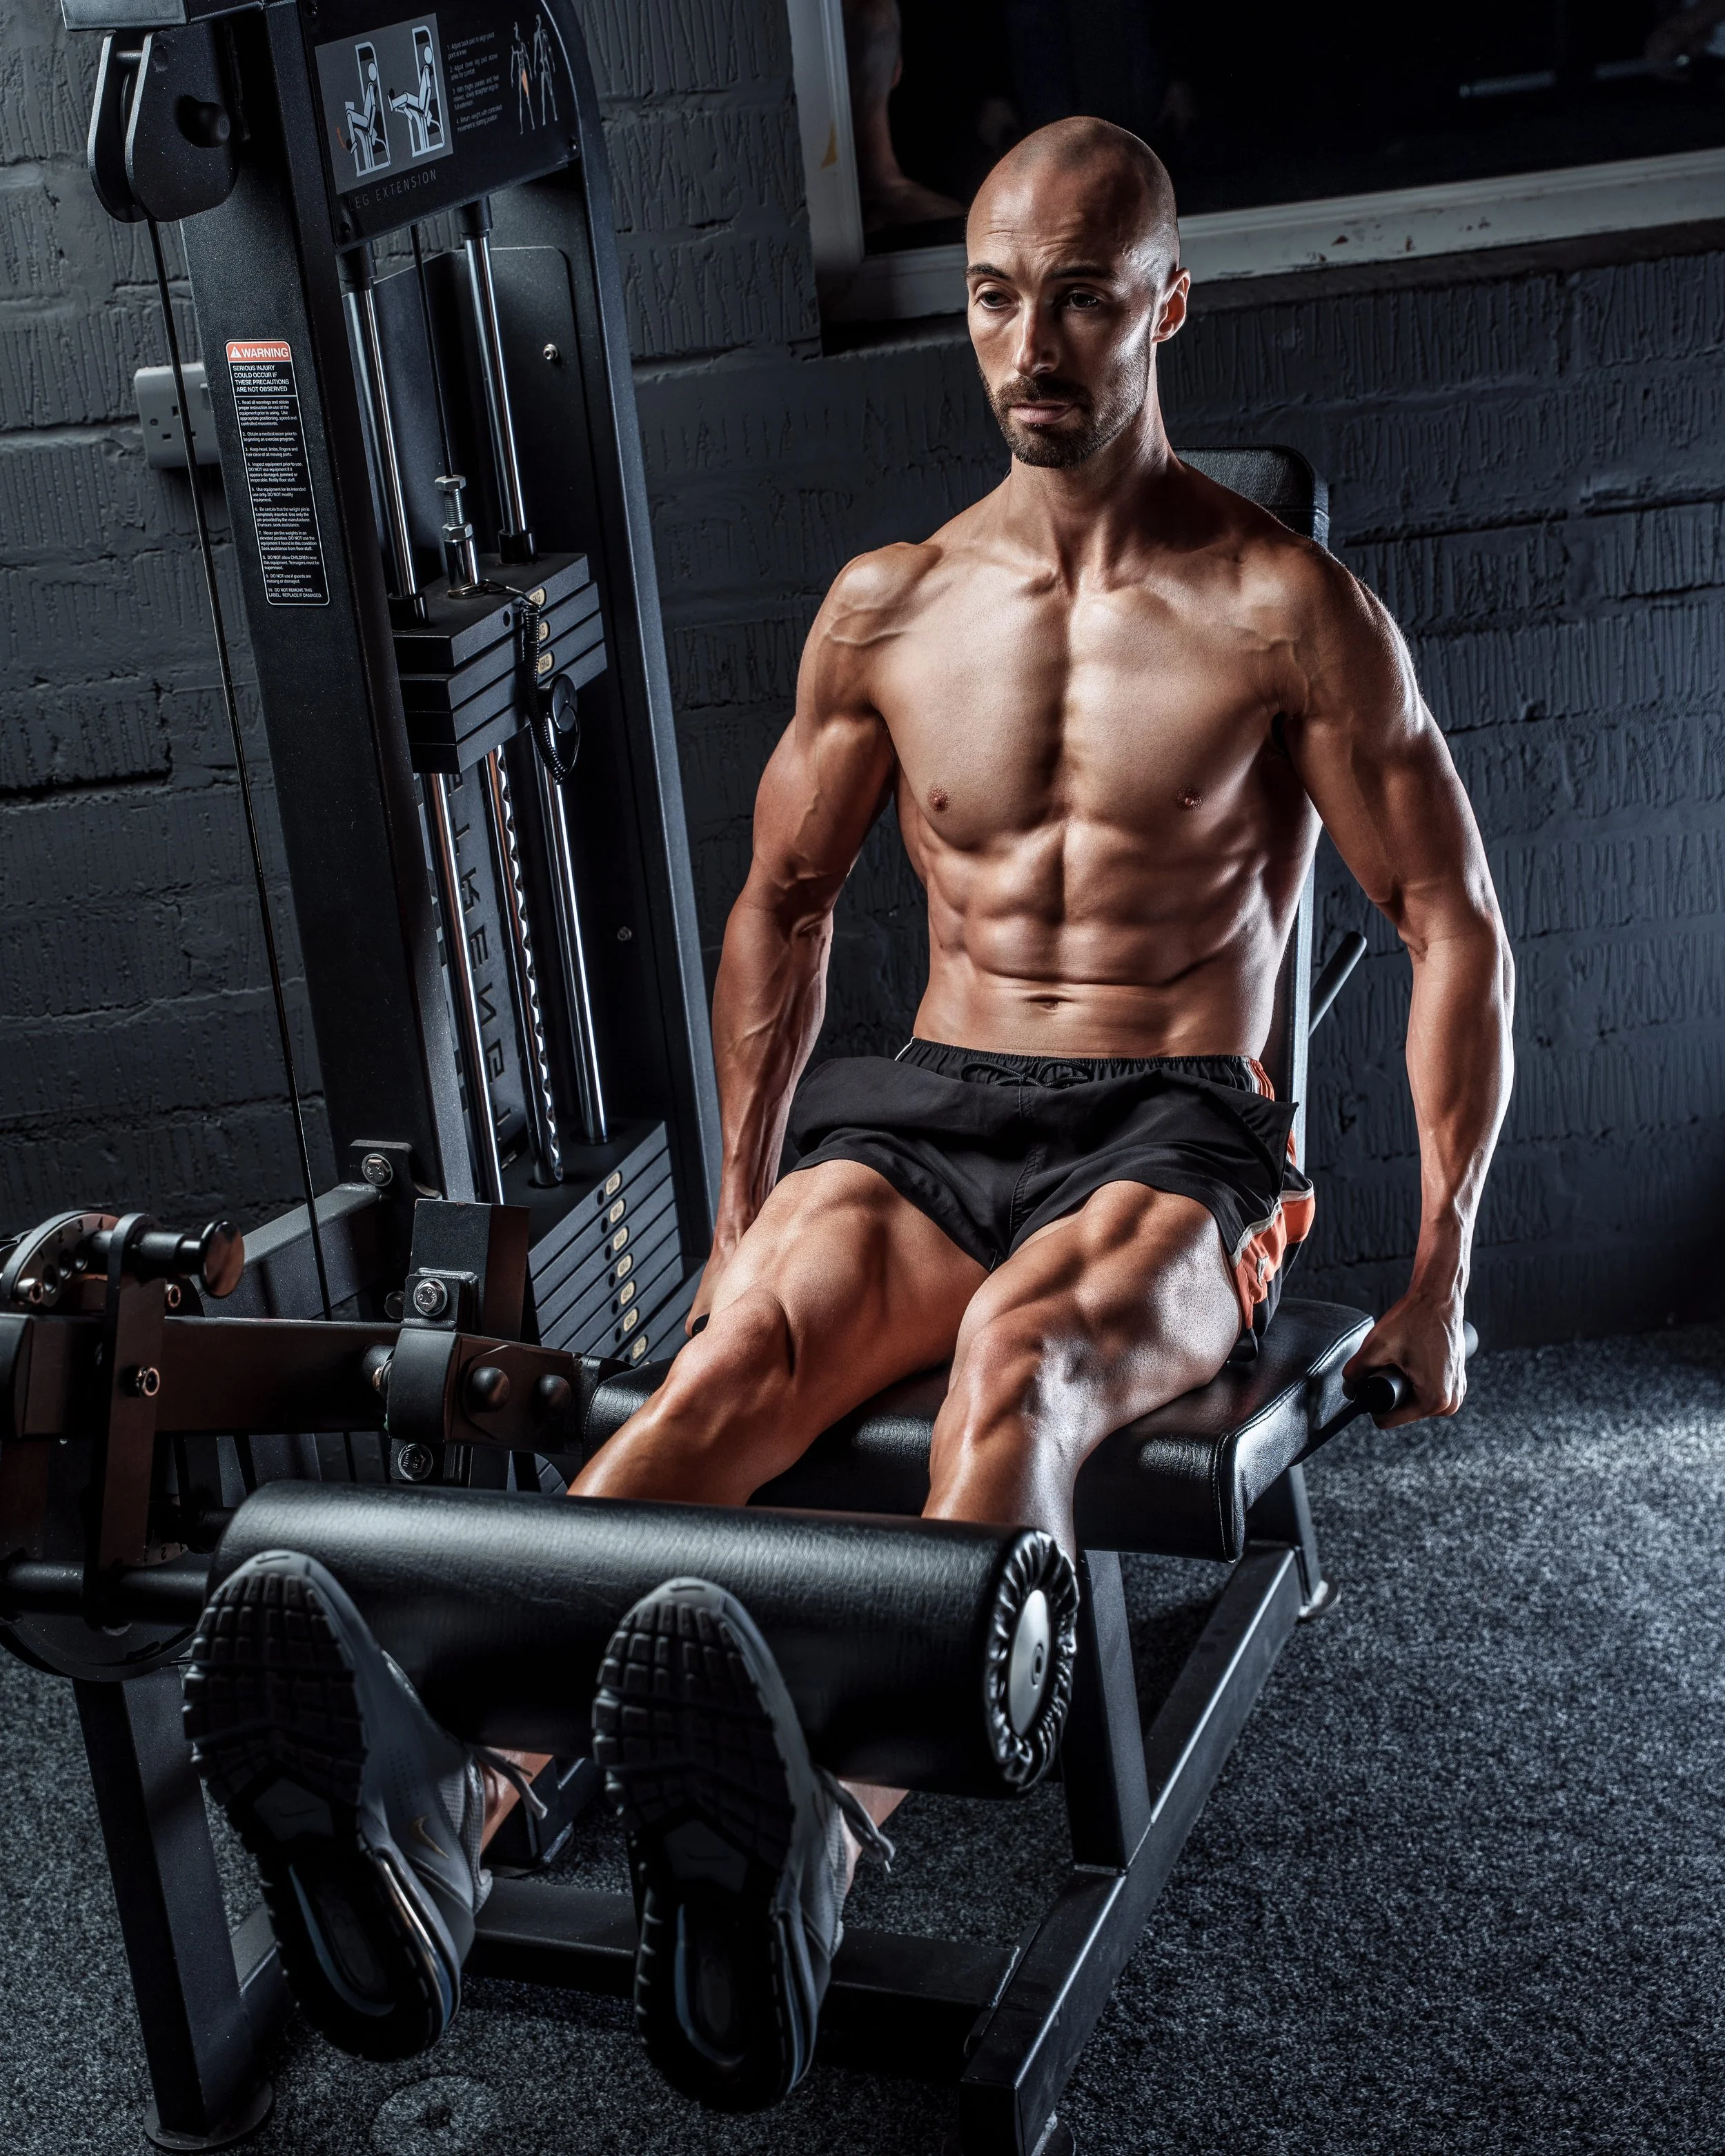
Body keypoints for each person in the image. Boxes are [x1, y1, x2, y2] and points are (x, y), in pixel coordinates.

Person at [188, 117, 1514, 2114]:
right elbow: (780, 914)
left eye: (1080, 294)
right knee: (748, 1348)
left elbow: (1451, 926)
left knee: (1025, 1358)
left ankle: (816, 1835)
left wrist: (1435, 1280)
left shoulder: (1286, 609)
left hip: (1179, 1130)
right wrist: (738, 1210)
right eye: (994, 294)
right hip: (939, 1097)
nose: (1032, 341)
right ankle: (458, 1799)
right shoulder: (889, 606)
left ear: (1168, 304)